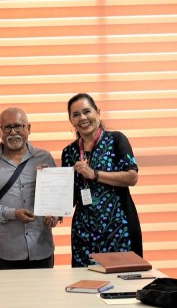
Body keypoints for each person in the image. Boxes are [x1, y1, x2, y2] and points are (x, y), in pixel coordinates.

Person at [60, 93, 141, 267]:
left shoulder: (116, 140)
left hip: (118, 229)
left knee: (121, 278)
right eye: (76, 114)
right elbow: (70, 195)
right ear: (71, 120)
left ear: (97, 112)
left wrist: (94, 174)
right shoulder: (69, 152)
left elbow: (132, 177)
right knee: (85, 280)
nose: (82, 118)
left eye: (87, 111)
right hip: (83, 232)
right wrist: (53, 206)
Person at [0, 107, 58, 269]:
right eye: (7, 127)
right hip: (6, 251)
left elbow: (56, 195)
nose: (13, 132)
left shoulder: (44, 157)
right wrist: (12, 213)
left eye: (18, 126)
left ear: (28, 128)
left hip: (42, 248)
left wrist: (55, 215)